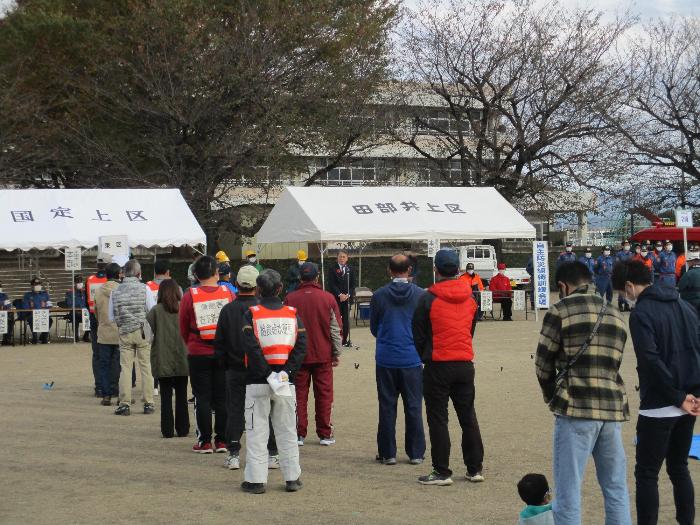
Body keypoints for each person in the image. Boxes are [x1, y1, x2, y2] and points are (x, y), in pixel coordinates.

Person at [535, 261, 631, 525]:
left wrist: (551, 395)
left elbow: (543, 364)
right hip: (611, 409)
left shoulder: (561, 310)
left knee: (568, 490)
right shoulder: (615, 314)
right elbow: (615, 363)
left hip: (575, 407)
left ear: (563, 286)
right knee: (616, 487)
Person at [612, 260, 700, 525]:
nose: (623, 297)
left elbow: (650, 360)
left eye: (622, 292)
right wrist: (691, 395)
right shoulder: (684, 306)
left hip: (661, 402)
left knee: (648, 473)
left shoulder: (641, 313)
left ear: (629, 286)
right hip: (690, 399)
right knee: (679, 467)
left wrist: (676, 396)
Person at [412, 249, 483, 486]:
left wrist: (426, 355)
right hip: (464, 362)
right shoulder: (471, 297)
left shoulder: (428, 298)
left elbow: (418, 333)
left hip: (437, 364)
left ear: (436, 270)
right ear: (460, 270)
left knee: (438, 419)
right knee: (468, 416)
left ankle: (442, 470)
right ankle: (474, 468)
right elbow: (470, 329)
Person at [241, 269, 307, 494]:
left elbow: (250, 346)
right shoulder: (292, 313)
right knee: (287, 430)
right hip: (285, 381)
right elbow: (301, 346)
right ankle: (292, 478)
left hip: (257, 381)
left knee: (256, 430)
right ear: (280, 288)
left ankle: (256, 481)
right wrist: (285, 372)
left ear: (258, 289)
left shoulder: (252, 313)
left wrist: (267, 372)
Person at [215, 264, 279, 470]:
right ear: (258, 286)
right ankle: (272, 453)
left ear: (236, 284)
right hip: (261, 369)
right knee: (266, 411)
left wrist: (225, 365)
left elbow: (220, 343)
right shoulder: (262, 309)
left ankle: (233, 453)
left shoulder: (227, 309)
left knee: (235, 410)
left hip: (234, 369)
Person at [370, 254, 426, 465]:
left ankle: (387, 452)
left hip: (386, 356)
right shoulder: (420, 295)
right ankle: (416, 453)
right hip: (411, 357)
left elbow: (374, 327)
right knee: (413, 406)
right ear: (409, 270)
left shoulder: (379, 295)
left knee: (386, 406)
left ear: (389, 270)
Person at [179, 255, 235, 453]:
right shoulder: (227, 293)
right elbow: (233, 321)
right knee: (222, 397)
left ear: (195, 274)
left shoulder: (189, 294)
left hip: (197, 351)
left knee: (201, 397)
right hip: (222, 351)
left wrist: (190, 343)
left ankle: (204, 441)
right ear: (216, 273)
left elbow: (183, 325)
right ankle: (222, 440)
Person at [285, 262, 342, 447]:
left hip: (297, 356)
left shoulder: (290, 298)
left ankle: (298, 433)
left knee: (299, 395)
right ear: (317, 277)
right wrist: (336, 352)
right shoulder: (328, 298)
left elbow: (287, 328)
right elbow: (336, 328)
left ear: (300, 277)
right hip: (323, 354)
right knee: (324, 395)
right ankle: (325, 433)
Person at [110, 259, 156, 416]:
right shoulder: (145, 289)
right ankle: (149, 402)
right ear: (138, 273)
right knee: (146, 366)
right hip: (143, 331)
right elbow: (152, 310)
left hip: (124, 332)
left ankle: (124, 403)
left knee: (126, 367)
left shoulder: (115, 291)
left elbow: (112, 316)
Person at [147, 279, 190, 438]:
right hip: (182, 357)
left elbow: (148, 337)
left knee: (165, 397)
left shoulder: (155, 311)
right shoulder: (184, 309)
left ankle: (167, 430)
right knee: (182, 395)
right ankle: (183, 428)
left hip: (162, 358)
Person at [94, 263, 122, 406]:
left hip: (103, 332)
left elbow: (96, 312)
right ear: (118, 274)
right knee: (119, 364)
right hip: (119, 332)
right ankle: (118, 391)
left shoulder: (98, 291)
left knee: (104, 365)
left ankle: (106, 395)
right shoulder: (121, 290)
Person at [86, 262, 108, 396]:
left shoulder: (89, 280)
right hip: (108, 322)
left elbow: (86, 302)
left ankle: (98, 386)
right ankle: (110, 386)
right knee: (111, 355)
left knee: (97, 354)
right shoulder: (111, 281)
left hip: (94, 321)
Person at [328, 251, 355, 347]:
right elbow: (332, 284)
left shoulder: (350, 269)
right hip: (336, 299)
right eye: (340, 257)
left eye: (344, 257)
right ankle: (336, 340)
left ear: (347, 258)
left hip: (347, 299)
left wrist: (347, 295)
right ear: (337, 258)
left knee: (346, 321)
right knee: (336, 320)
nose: (342, 258)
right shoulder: (332, 269)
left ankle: (344, 340)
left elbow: (352, 284)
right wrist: (340, 294)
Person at [22, 277, 52, 345]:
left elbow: (49, 305)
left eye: (39, 284)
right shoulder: (27, 295)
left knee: (50, 320)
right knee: (32, 319)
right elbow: (25, 307)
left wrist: (46, 311)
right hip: (31, 314)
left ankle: (44, 337)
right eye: (35, 284)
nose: (37, 286)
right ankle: (34, 337)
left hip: (43, 314)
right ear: (32, 286)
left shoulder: (45, 294)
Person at [65, 275, 88, 342]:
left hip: (84, 312)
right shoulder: (70, 292)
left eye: (81, 281)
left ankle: (86, 336)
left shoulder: (85, 292)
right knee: (74, 316)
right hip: (74, 312)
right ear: (74, 283)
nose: (79, 283)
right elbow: (69, 304)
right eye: (77, 281)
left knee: (91, 317)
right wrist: (77, 309)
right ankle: (76, 337)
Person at [616, 240, 634, 311]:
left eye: (628, 245)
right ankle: (620, 303)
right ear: (623, 246)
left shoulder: (631, 254)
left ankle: (627, 304)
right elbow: (617, 264)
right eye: (626, 245)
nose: (627, 246)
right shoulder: (619, 254)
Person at [0, 280, 13, 346]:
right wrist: (2, 303)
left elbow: (9, 305)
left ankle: (6, 340)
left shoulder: (4, 295)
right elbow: (4, 304)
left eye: (0, 286)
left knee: (10, 321)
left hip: (2, 315)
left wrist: (4, 305)